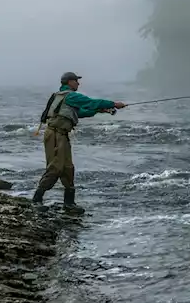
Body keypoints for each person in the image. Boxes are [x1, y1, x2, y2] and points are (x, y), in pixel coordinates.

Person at [32, 71, 126, 208]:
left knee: (68, 168)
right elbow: (90, 102)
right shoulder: (71, 96)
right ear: (69, 82)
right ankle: (37, 199)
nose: (78, 83)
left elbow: (78, 113)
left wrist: (99, 111)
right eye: (76, 80)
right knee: (55, 167)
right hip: (55, 135)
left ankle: (69, 203)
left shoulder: (60, 96)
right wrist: (114, 104)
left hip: (61, 135)